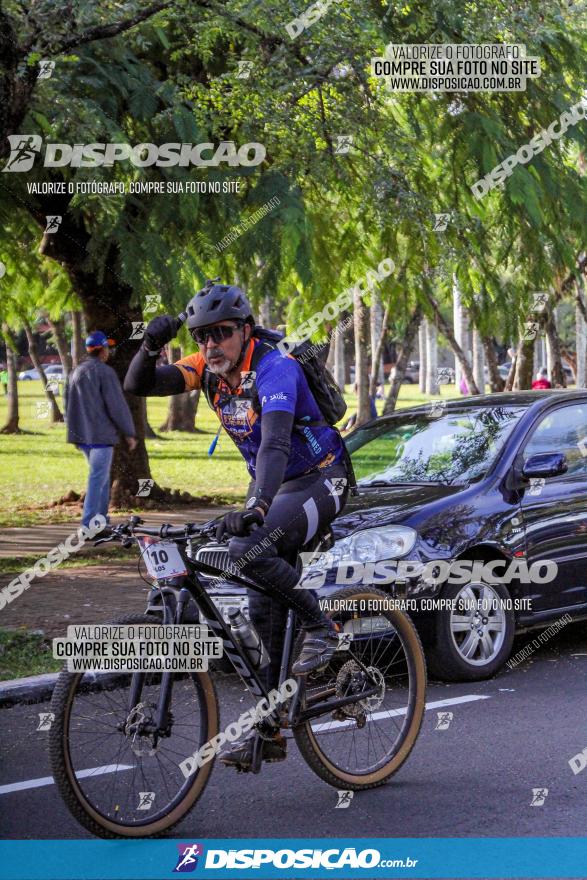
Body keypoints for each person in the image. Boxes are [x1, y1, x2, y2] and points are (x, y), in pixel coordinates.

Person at [125, 282, 350, 770]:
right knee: (261, 615)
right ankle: (271, 730)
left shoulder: (275, 367)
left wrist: (257, 504)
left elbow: (273, 445)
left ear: (245, 331)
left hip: (321, 478)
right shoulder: (207, 368)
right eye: (203, 336)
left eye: (222, 334)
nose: (211, 345)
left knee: (251, 546)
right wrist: (147, 346)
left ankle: (322, 626)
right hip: (276, 489)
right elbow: (138, 385)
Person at [66, 331, 137, 531]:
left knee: (103, 478)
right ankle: (89, 523)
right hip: (101, 437)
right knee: (98, 478)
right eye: (107, 348)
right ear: (102, 350)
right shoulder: (105, 373)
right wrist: (129, 432)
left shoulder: (76, 372)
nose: (109, 352)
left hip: (83, 437)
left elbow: (68, 405)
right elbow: (117, 406)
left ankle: (101, 520)